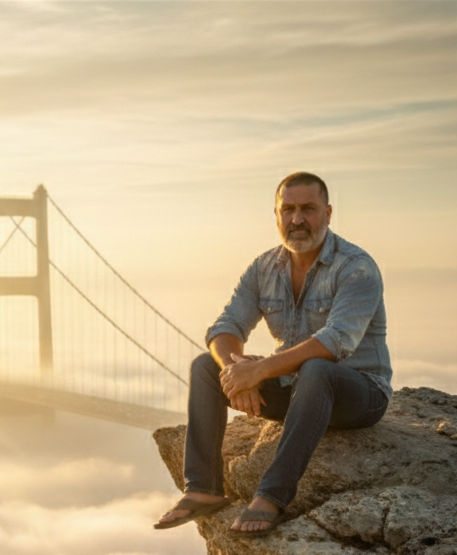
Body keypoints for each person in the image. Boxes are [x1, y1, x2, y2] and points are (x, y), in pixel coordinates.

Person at [154, 172, 392, 535]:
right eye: (288, 210)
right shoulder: (263, 267)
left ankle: (271, 497)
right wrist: (238, 374)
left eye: (308, 209)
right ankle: (203, 490)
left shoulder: (357, 267)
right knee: (206, 366)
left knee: (317, 368)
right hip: (299, 392)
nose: (297, 219)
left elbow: (335, 343)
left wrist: (261, 370)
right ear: (277, 215)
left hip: (360, 394)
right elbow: (225, 328)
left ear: (328, 213)